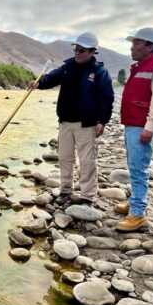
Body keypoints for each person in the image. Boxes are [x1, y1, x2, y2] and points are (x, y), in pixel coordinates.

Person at [31, 32, 114, 206]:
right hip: (65, 121)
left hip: (87, 123)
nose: (77, 52)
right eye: (76, 49)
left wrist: (102, 121)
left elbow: (107, 97)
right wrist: (39, 83)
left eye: (82, 50)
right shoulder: (67, 67)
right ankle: (65, 190)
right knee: (65, 158)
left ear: (92, 52)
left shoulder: (100, 71)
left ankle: (87, 196)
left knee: (87, 161)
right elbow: (51, 78)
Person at [115, 27, 153, 232]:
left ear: (150, 46)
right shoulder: (141, 66)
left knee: (139, 169)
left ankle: (138, 213)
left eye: (137, 43)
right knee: (134, 165)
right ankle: (135, 202)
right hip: (134, 123)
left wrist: (149, 127)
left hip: (141, 125)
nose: (132, 48)